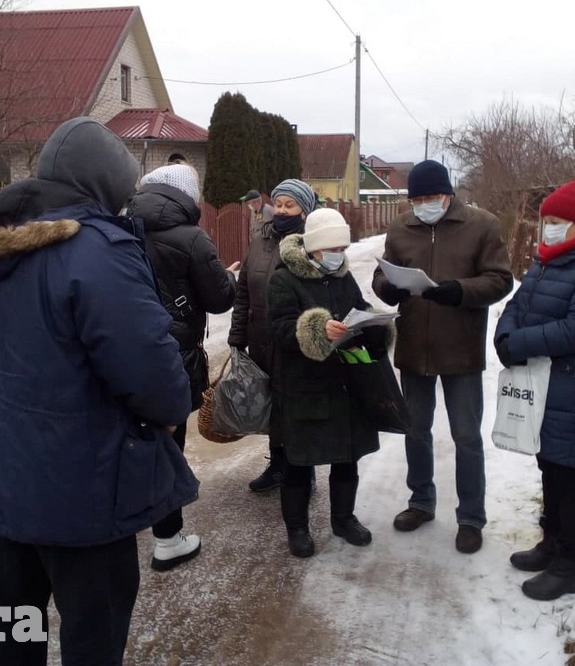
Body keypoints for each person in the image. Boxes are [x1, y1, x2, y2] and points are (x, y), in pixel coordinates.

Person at [0, 117, 197, 666]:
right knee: (94, 626)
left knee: (15, 617)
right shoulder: (97, 251)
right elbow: (150, 373)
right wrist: (175, 407)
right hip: (83, 480)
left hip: (8, 470)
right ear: (101, 184)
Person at [371, 159, 513, 554]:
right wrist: (389, 289)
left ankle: (470, 517)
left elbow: (501, 279)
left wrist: (459, 291)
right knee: (416, 430)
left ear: (448, 194)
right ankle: (420, 502)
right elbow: (382, 274)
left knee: (466, 436)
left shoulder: (481, 225)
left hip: (461, 348)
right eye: (417, 198)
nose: (424, 204)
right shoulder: (401, 227)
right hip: (414, 346)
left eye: (431, 196)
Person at [494, 178, 575, 601]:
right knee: (550, 468)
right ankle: (551, 544)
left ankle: (570, 565)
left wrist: (522, 344)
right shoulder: (550, 259)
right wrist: (505, 335)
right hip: (546, 388)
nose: (546, 227)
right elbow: (519, 304)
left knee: (571, 475)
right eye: (545, 219)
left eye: (555, 220)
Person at [131, 163, 238, 571]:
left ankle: (134, 516)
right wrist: (225, 278)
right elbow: (219, 300)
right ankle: (168, 538)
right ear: (187, 197)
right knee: (170, 443)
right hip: (172, 354)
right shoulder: (192, 238)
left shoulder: (119, 227)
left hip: (119, 352)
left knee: (130, 438)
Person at [267, 208, 388, 557]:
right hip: (303, 387)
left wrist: (375, 325)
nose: (339, 255)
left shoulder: (342, 278)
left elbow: (358, 308)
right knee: (299, 462)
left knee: (346, 456)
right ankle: (297, 529)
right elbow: (280, 328)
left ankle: (343, 518)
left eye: (342, 248)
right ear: (315, 248)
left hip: (344, 383)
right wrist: (317, 329)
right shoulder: (284, 279)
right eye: (332, 248)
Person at [228, 178, 317, 493]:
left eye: (289, 205)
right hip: (261, 337)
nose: (281, 211)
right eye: (278, 204)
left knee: (296, 405)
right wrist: (237, 337)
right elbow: (243, 293)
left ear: (304, 211)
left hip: (294, 342)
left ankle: (303, 468)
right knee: (272, 405)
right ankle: (278, 464)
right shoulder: (259, 239)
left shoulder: (312, 243)